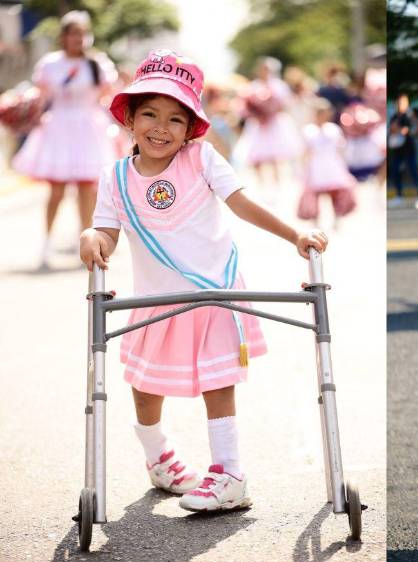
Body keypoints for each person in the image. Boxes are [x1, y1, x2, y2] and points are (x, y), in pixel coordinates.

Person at [78, 49, 328, 512]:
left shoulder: (202, 159)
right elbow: (108, 234)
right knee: (145, 383)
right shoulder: (114, 177)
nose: (161, 127)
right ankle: (161, 460)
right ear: (129, 119)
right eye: (149, 114)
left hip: (213, 290)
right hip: (156, 299)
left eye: (176, 119)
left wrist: (295, 233)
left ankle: (229, 472)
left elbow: (242, 202)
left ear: (191, 128)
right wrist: (93, 236)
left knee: (218, 377)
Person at [12, 10, 117, 268]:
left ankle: (85, 243)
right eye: (72, 34)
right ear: (64, 36)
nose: (77, 39)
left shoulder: (97, 64)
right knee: (56, 190)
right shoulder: (51, 64)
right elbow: (41, 95)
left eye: (81, 33)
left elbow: (107, 94)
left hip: (88, 129)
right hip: (58, 129)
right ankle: (46, 246)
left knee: (86, 190)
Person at [237, 56, 303, 184]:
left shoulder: (278, 85)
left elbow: (285, 103)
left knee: (275, 155)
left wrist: (270, 112)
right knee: (256, 155)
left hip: (274, 123)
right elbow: (246, 106)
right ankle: (261, 184)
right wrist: (256, 114)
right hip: (258, 124)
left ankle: (277, 183)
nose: (264, 71)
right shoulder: (253, 86)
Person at [297, 97, 357, 227]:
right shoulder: (309, 130)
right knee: (314, 195)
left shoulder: (333, 129)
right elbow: (305, 151)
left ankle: (336, 219)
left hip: (332, 165)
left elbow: (340, 148)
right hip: (316, 166)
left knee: (335, 193)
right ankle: (315, 222)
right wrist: (302, 168)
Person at [388, 93, 418, 207]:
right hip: (397, 149)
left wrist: (399, 129)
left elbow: (410, 130)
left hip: (408, 148)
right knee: (396, 171)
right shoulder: (394, 116)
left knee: (413, 171)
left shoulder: (409, 116)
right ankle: (398, 195)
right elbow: (391, 130)